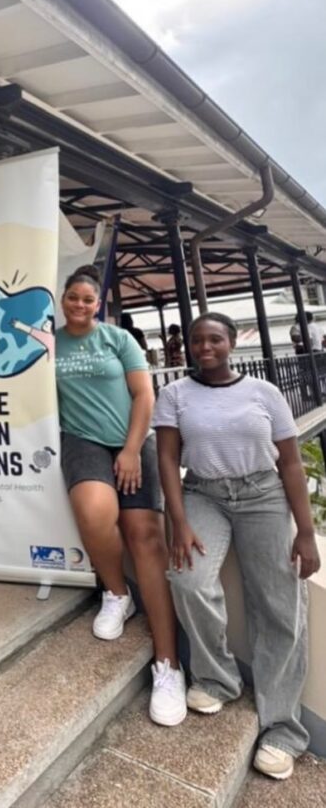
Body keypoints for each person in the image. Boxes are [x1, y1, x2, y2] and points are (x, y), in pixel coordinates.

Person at [153, 312, 320, 781]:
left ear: (231, 343)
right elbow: (167, 458)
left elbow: (290, 463)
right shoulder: (175, 394)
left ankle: (282, 729)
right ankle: (217, 677)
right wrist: (178, 521)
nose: (205, 347)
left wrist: (305, 531)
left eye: (215, 339)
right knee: (188, 580)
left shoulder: (264, 392)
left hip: (263, 495)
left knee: (280, 605)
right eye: (197, 340)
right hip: (203, 493)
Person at [55, 264, 186, 727]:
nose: (80, 304)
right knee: (95, 512)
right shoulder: (48, 344)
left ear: (98, 304)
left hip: (131, 439)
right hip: (82, 440)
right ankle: (117, 592)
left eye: (88, 299)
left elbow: (144, 396)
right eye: (73, 296)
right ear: (62, 298)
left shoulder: (118, 339)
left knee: (145, 535)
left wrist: (131, 450)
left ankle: (168, 666)